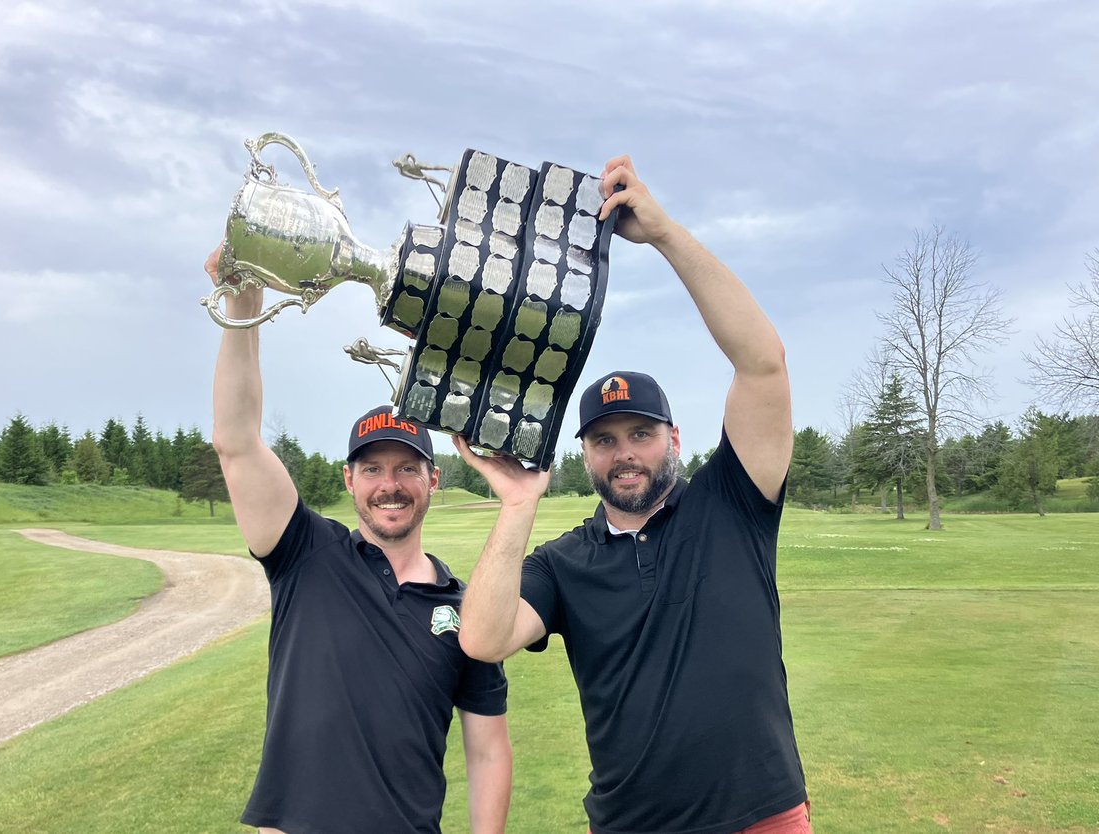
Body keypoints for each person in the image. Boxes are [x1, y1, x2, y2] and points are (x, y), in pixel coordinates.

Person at [453, 155, 809, 834]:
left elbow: (762, 362)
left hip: (760, 819)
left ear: (673, 436)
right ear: (584, 451)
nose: (625, 455)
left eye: (640, 434)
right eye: (605, 439)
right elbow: (484, 636)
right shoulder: (564, 564)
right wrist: (518, 503)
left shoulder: (732, 507)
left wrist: (667, 235)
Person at [205, 247, 512, 834]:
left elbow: (488, 752)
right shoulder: (304, 554)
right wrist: (244, 302)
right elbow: (237, 441)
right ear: (349, 480)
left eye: (406, 469)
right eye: (372, 470)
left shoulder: (469, 612)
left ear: (433, 479)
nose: (388, 486)